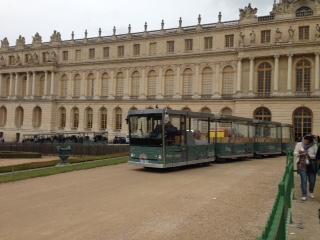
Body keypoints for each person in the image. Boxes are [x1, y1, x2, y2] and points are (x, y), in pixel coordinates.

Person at [294, 135, 318, 201]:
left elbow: (317, 155)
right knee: (303, 180)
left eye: (307, 141)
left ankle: (311, 191)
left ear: (310, 141)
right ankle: (304, 194)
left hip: (311, 165)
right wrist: (299, 154)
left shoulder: (314, 145)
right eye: (304, 140)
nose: (305, 142)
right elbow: (295, 153)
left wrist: (308, 155)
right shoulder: (299, 144)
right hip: (302, 164)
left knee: (312, 181)